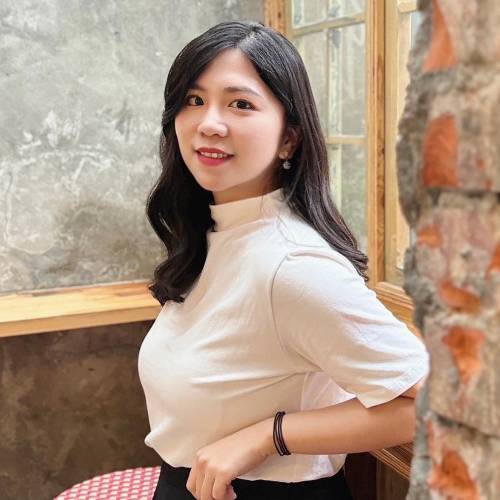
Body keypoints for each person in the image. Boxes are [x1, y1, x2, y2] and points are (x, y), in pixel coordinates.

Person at [138, 19, 429, 500]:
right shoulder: (217, 235)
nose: (209, 122)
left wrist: (269, 435)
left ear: (289, 139)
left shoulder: (293, 266)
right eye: (194, 99)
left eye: (240, 104)